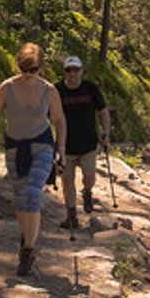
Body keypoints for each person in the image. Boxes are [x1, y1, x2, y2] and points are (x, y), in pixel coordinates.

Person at [0, 41, 67, 277]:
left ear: (41, 68)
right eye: (24, 69)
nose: (28, 75)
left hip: (42, 145)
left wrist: (60, 148)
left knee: (32, 192)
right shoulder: (7, 87)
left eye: (33, 70)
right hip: (14, 147)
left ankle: (28, 252)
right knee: (21, 198)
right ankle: (26, 238)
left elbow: (60, 120)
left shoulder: (49, 90)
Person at [56, 55, 112, 229]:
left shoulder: (91, 89)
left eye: (75, 70)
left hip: (88, 144)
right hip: (66, 146)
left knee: (90, 176)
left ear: (82, 71)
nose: (72, 74)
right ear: (64, 72)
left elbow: (102, 111)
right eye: (68, 70)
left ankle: (87, 191)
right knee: (67, 181)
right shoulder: (56, 90)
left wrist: (106, 132)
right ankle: (71, 216)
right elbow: (49, 115)